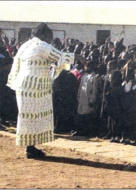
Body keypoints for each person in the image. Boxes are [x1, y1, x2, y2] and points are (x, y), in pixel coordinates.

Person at [7, 23, 73, 159]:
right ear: (43, 34)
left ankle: (30, 147)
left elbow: (16, 65)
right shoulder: (41, 45)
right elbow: (60, 57)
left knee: (29, 117)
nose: (50, 39)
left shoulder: (26, 45)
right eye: (49, 36)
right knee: (35, 117)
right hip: (34, 87)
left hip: (23, 86)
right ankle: (30, 148)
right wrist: (78, 58)